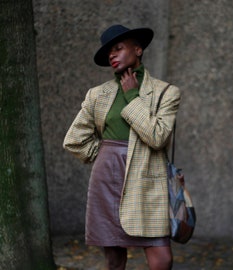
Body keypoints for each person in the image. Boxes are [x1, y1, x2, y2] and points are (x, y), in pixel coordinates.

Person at [63, 24, 181, 270]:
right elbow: (75, 139)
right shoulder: (98, 94)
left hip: (148, 176)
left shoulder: (165, 93)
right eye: (109, 53)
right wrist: (106, 154)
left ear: (138, 50)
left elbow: (158, 137)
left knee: (162, 259)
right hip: (107, 177)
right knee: (114, 257)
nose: (112, 56)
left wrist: (132, 97)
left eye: (118, 48)